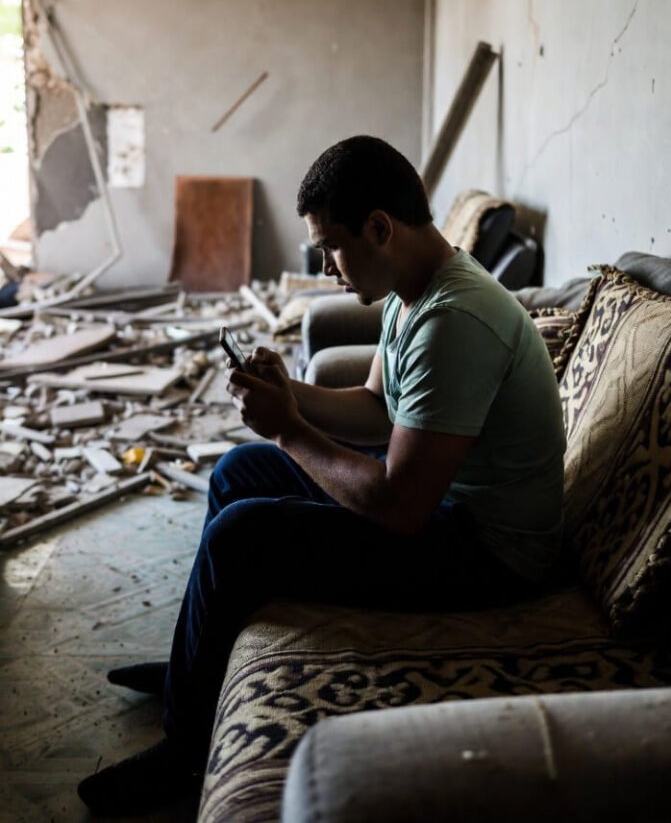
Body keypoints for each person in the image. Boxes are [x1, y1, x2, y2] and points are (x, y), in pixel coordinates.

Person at [78, 135, 566, 815]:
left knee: (242, 535)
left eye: (330, 246)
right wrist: (289, 391)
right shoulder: (410, 292)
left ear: (378, 228)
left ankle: (185, 753)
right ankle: (199, 669)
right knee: (243, 470)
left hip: (491, 554)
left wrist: (288, 428)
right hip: (445, 510)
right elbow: (373, 410)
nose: (325, 266)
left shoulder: (457, 320)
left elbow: (400, 507)